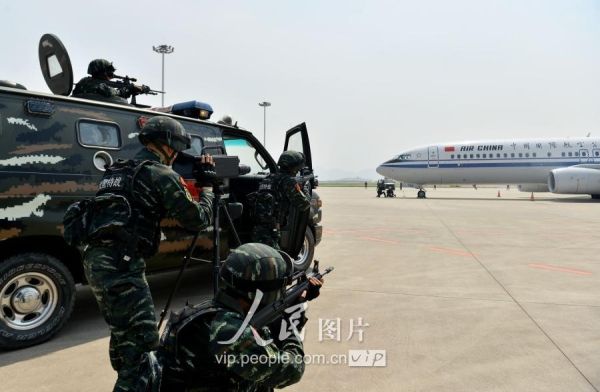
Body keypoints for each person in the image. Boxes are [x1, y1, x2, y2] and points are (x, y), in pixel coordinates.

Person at [82, 115, 215, 392]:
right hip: (122, 268)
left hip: (96, 263)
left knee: (123, 335)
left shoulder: (118, 170)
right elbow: (198, 219)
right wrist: (208, 189)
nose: (177, 155)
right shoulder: (160, 174)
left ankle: (127, 369)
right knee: (142, 348)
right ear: (167, 145)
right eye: (176, 149)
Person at [158, 243, 322, 391]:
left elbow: (267, 342)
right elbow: (291, 370)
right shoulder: (230, 332)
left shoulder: (211, 313)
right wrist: (290, 326)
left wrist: (295, 309)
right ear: (260, 294)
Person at [251, 151, 311, 250]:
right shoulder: (288, 182)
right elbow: (304, 205)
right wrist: (305, 188)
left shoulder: (268, 178)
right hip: (272, 230)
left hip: (257, 228)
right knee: (274, 262)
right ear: (295, 167)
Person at [72, 59, 145, 104]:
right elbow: (108, 91)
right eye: (108, 72)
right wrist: (124, 91)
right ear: (101, 72)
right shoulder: (91, 83)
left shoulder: (85, 80)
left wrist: (128, 90)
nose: (111, 76)